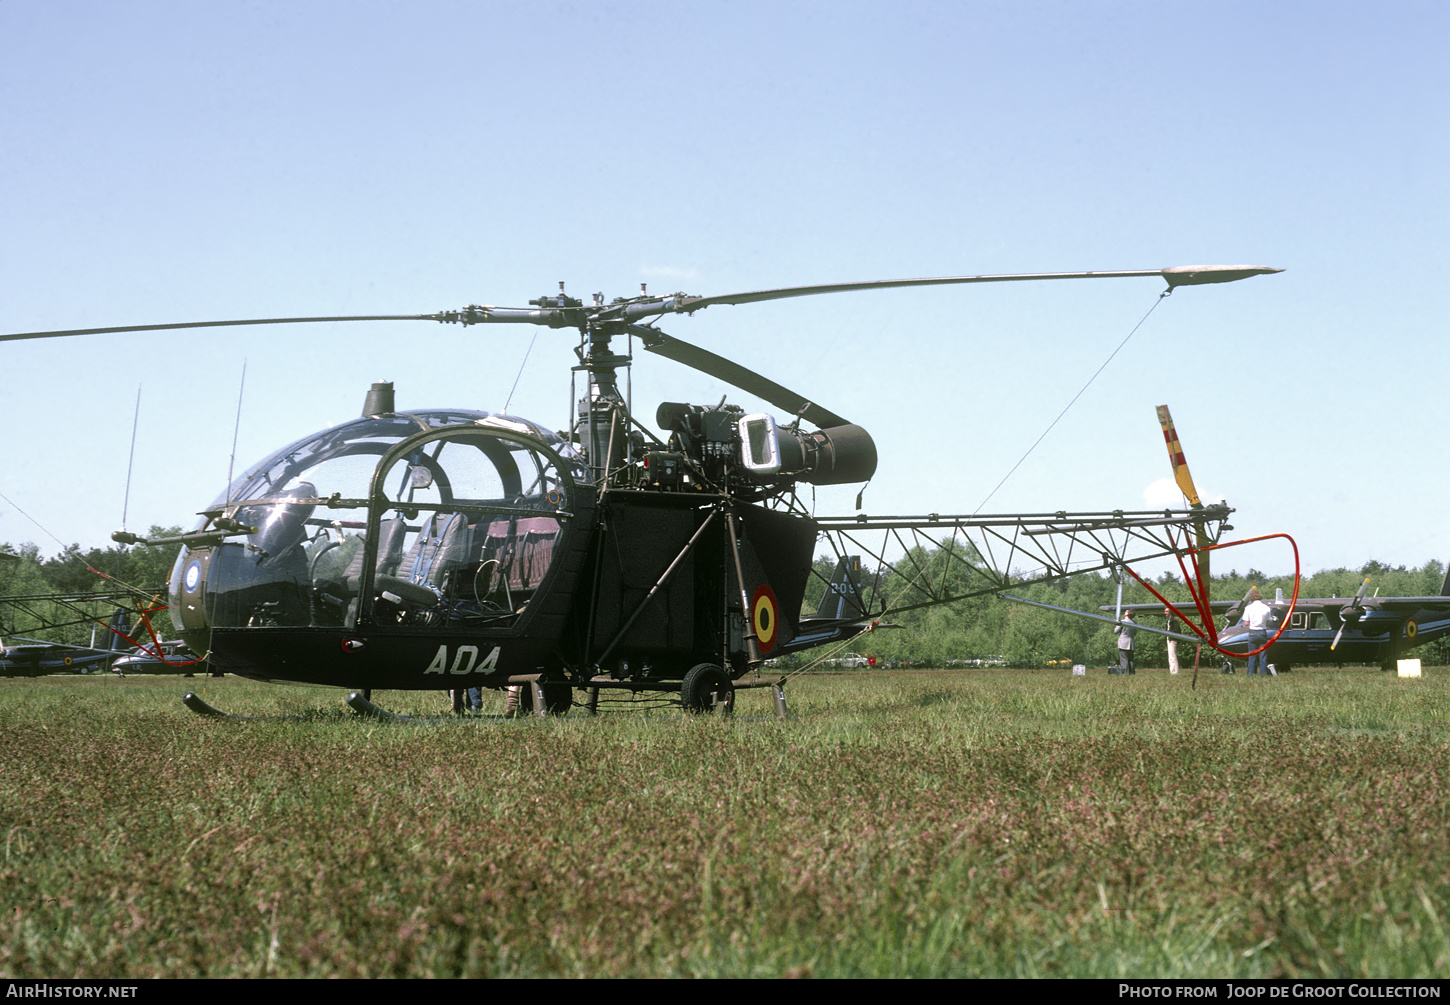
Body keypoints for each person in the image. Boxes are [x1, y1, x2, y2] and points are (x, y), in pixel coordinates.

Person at [1243, 588, 1273, 676]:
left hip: (1252, 632)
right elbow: (1268, 620)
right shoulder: (1266, 608)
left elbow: (1246, 623)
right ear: (1260, 597)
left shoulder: (1248, 608)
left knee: (1252, 654)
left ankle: (1251, 674)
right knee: (1263, 655)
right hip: (1262, 632)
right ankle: (1263, 674)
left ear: (1251, 598)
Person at [1113, 609, 1137, 675]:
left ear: (1127, 614)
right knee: (1131, 660)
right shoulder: (1134, 623)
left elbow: (1116, 631)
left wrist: (1117, 624)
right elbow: (1135, 633)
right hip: (1131, 643)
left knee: (1124, 660)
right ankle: (1132, 673)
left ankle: (1125, 674)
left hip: (1123, 643)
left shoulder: (1122, 621)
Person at [1164, 606, 1180, 675]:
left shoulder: (1174, 621)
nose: (1165, 613)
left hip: (1173, 640)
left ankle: (1175, 672)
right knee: (1170, 656)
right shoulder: (1169, 621)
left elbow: (1177, 631)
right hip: (1169, 639)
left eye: (1166, 611)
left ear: (1170, 612)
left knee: (1173, 656)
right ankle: (1172, 671)